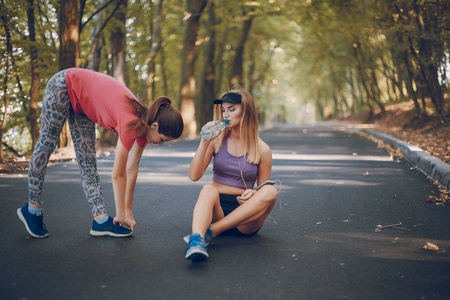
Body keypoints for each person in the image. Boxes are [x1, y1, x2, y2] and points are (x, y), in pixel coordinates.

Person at [17, 68, 183, 238]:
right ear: (154, 126)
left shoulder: (144, 128)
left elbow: (131, 169)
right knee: (47, 143)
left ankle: (100, 221)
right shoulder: (130, 122)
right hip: (64, 84)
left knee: (88, 160)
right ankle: (32, 210)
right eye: (163, 139)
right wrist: (120, 216)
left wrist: (128, 210)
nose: (161, 144)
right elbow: (118, 174)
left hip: (83, 104)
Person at [184, 88, 278, 260]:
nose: (226, 114)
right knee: (207, 189)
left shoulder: (263, 149)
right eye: (223, 110)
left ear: (246, 112)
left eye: (232, 109)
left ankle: (211, 232)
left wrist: (255, 192)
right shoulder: (216, 141)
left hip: (245, 217)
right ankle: (197, 240)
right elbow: (194, 175)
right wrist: (204, 142)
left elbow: (263, 191)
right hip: (217, 209)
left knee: (271, 191)